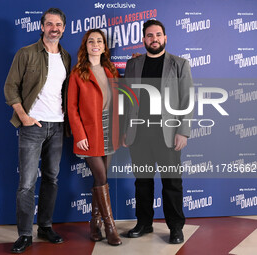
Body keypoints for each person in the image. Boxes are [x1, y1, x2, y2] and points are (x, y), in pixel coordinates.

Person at [4, 8, 71, 254]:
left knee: (52, 179)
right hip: (33, 126)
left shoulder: (66, 57)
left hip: (58, 126)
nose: (55, 28)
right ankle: (24, 234)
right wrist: (24, 117)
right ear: (42, 26)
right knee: (27, 184)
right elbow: (10, 87)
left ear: (64, 28)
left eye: (59, 24)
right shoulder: (26, 53)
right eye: (50, 24)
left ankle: (45, 227)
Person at [123, 19, 194, 244]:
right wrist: (126, 129)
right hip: (139, 134)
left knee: (172, 182)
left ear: (165, 38)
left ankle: (175, 228)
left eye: (158, 35)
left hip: (168, 135)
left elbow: (187, 99)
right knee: (142, 181)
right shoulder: (133, 64)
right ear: (144, 39)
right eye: (150, 36)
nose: (154, 39)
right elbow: (127, 100)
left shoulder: (179, 63)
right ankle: (144, 223)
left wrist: (183, 131)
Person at [67, 29, 122, 246]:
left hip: (110, 128)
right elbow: (71, 108)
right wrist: (79, 134)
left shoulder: (111, 70)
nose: (96, 44)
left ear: (104, 46)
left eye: (100, 41)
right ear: (85, 46)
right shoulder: (78, 72)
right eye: (91, 41)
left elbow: (119, 102)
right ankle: (110, 227)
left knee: (101, 179)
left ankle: (94, 223)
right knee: (101, 178)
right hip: (89, 132)